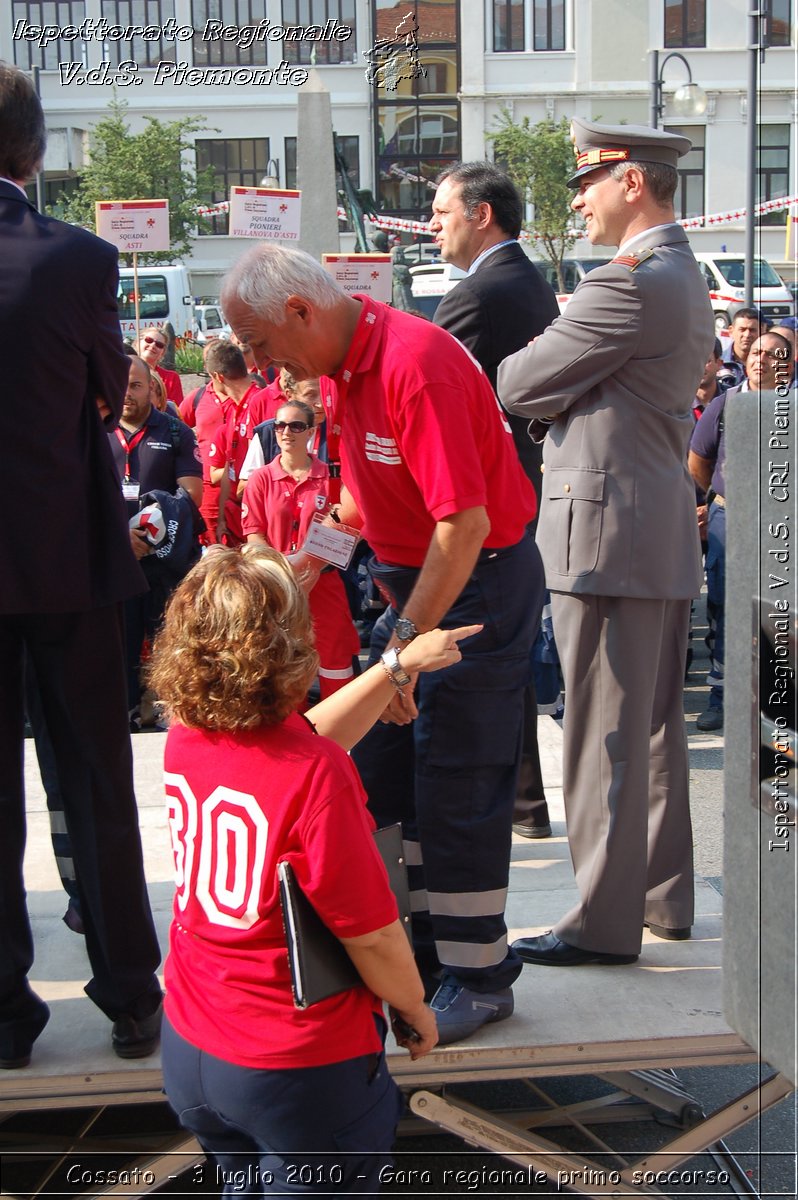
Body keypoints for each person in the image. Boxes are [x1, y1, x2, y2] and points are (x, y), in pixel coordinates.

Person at [221, 243, 545, 1045]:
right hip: (413, 592)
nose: (260, 365)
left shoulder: (414, 363)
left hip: (472, 588)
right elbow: (364, 504)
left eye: (260, 343)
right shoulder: (344, 373)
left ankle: (477, 973)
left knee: (459, 778)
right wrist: (300, 570)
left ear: (301, 312)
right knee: (385, 779)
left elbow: (462, 523)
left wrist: (401, 645)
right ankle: (423, 956)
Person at [150, 546, 478, 1194]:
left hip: (193, 1044)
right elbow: (375, 935)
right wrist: (414, 1009)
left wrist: (394, 665)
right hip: (293, 1066)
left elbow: (305, 736)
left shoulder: (187, 732)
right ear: (286, 644)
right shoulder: (315, 774)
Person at [498, 117, 715, 965]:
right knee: (653, 733)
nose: (579, 201)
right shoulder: (675, 271)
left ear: (632, 183)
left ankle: (600, 921)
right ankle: (663, 899)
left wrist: (558, 389)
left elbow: (519, 380)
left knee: (602, 735)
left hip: (606, 537)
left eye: (587, 183)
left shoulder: (624, 282)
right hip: (648, 529)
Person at [0, 63, 163, 1068]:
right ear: (35, 150)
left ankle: (7, 1018)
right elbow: (116, 399)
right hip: (66, 557)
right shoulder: (79, 261)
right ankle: (131, 996)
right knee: (98, 776)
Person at [430, 160, 561, 840]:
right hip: (522, 495)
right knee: (504, 653)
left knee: (479, 655)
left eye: (442, 211)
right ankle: (525, 802)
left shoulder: (479, 296)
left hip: (484, 507)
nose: (431, 224)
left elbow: (424, 393)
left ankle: (503, 803)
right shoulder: (527, 282)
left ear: (481, 214)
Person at [689, 330, 794, 733]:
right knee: (725, 614)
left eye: (771, 354)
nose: (758, 359)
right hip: (729, 523)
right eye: (753, 352)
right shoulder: (725, 404)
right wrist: (717, 498)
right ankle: (722, 700)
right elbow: (697, 461)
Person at [242, 397, 360, 698]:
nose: (286, 432)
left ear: (311, 432)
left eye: (296, 426)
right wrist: (284, 573)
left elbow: (348, 529)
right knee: (280, 671)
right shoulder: (261, 479)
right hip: (278, 588)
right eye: (280, 425)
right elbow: (254, 535)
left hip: (324, 583)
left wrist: (312, 568)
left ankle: (337, 741)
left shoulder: (331, 478)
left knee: (336, 668)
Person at [108, 355, 203, 725]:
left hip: (164, 561)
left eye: (135, 385)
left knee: (170, 641)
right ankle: (127, 712)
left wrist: (144, 533)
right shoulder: (91, 431)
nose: (127, 394)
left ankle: (173, 713)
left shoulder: (176, 431)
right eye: (121, 386)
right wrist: (119, 536)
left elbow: (190, 492)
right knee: (119, 644)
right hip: (114, 559)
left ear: (151, 387)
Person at [136, 325, 184, 406]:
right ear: (138, 343)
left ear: (163, 352)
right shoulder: (125, 373)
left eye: (159, 345)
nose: (153, 345)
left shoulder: (171, 378)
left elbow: (176, 410)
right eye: (149, 340)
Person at [720, 308, 767, 387]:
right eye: (742, 329)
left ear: (761, 332)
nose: (747, 335)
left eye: (752, 330)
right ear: (731, 331)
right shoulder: (718, 364)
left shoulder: (767, 363)